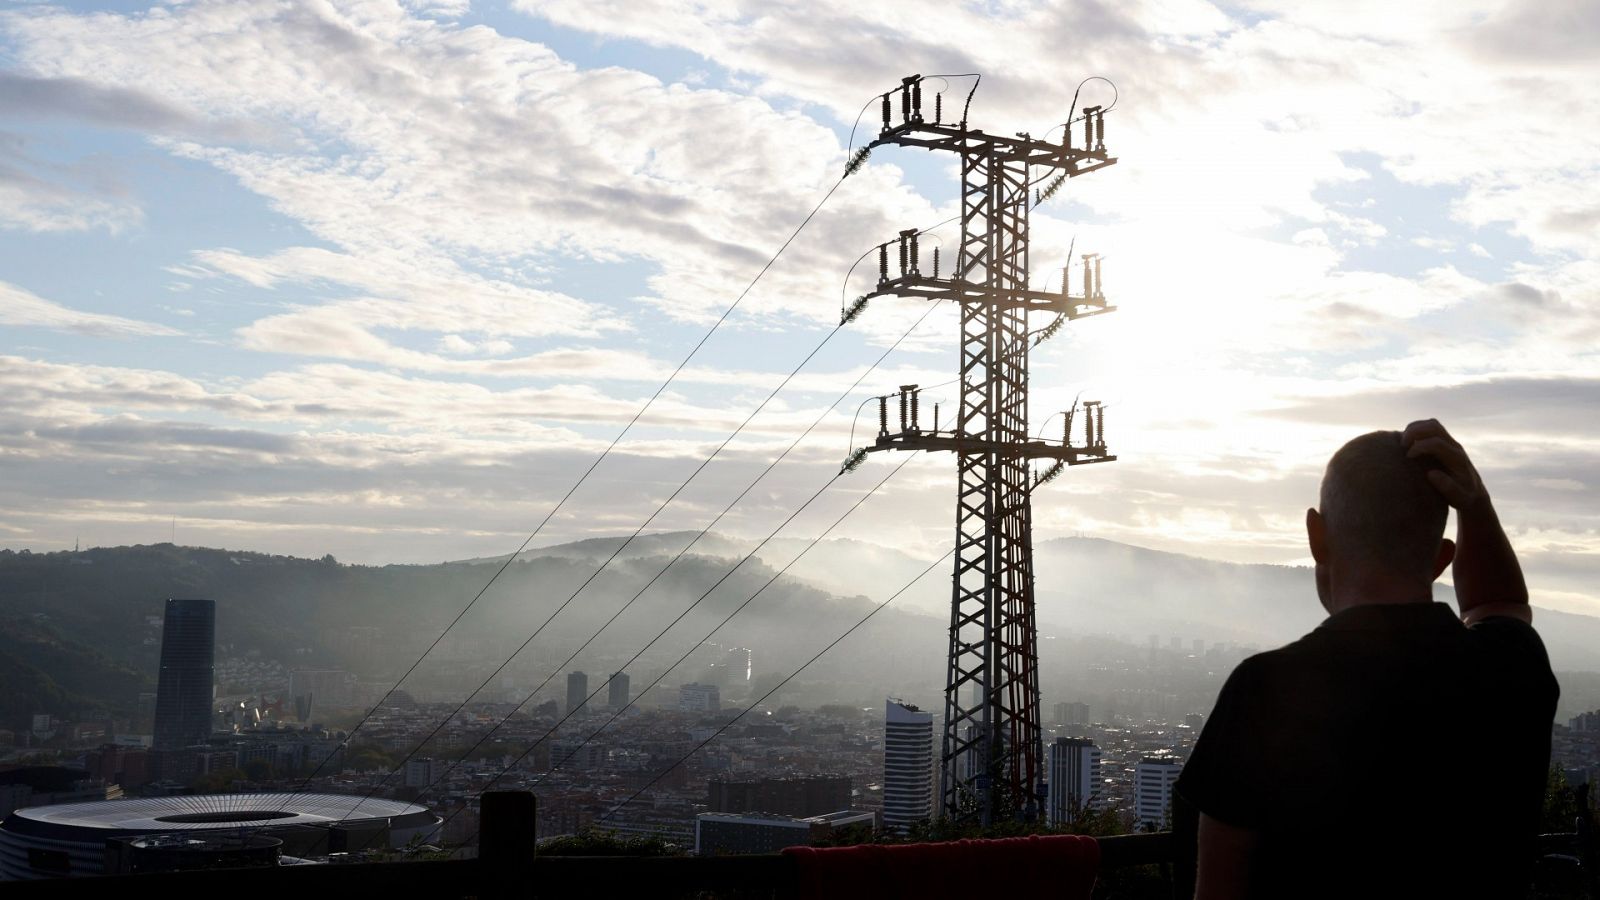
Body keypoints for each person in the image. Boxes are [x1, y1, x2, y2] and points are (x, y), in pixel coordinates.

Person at [1177, 420, 1559, 899]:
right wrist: (1475, 503)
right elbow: (1499, 603)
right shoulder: (1512, 669)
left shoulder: (1266, 691)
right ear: (1442, 560)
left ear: (1316, 535)